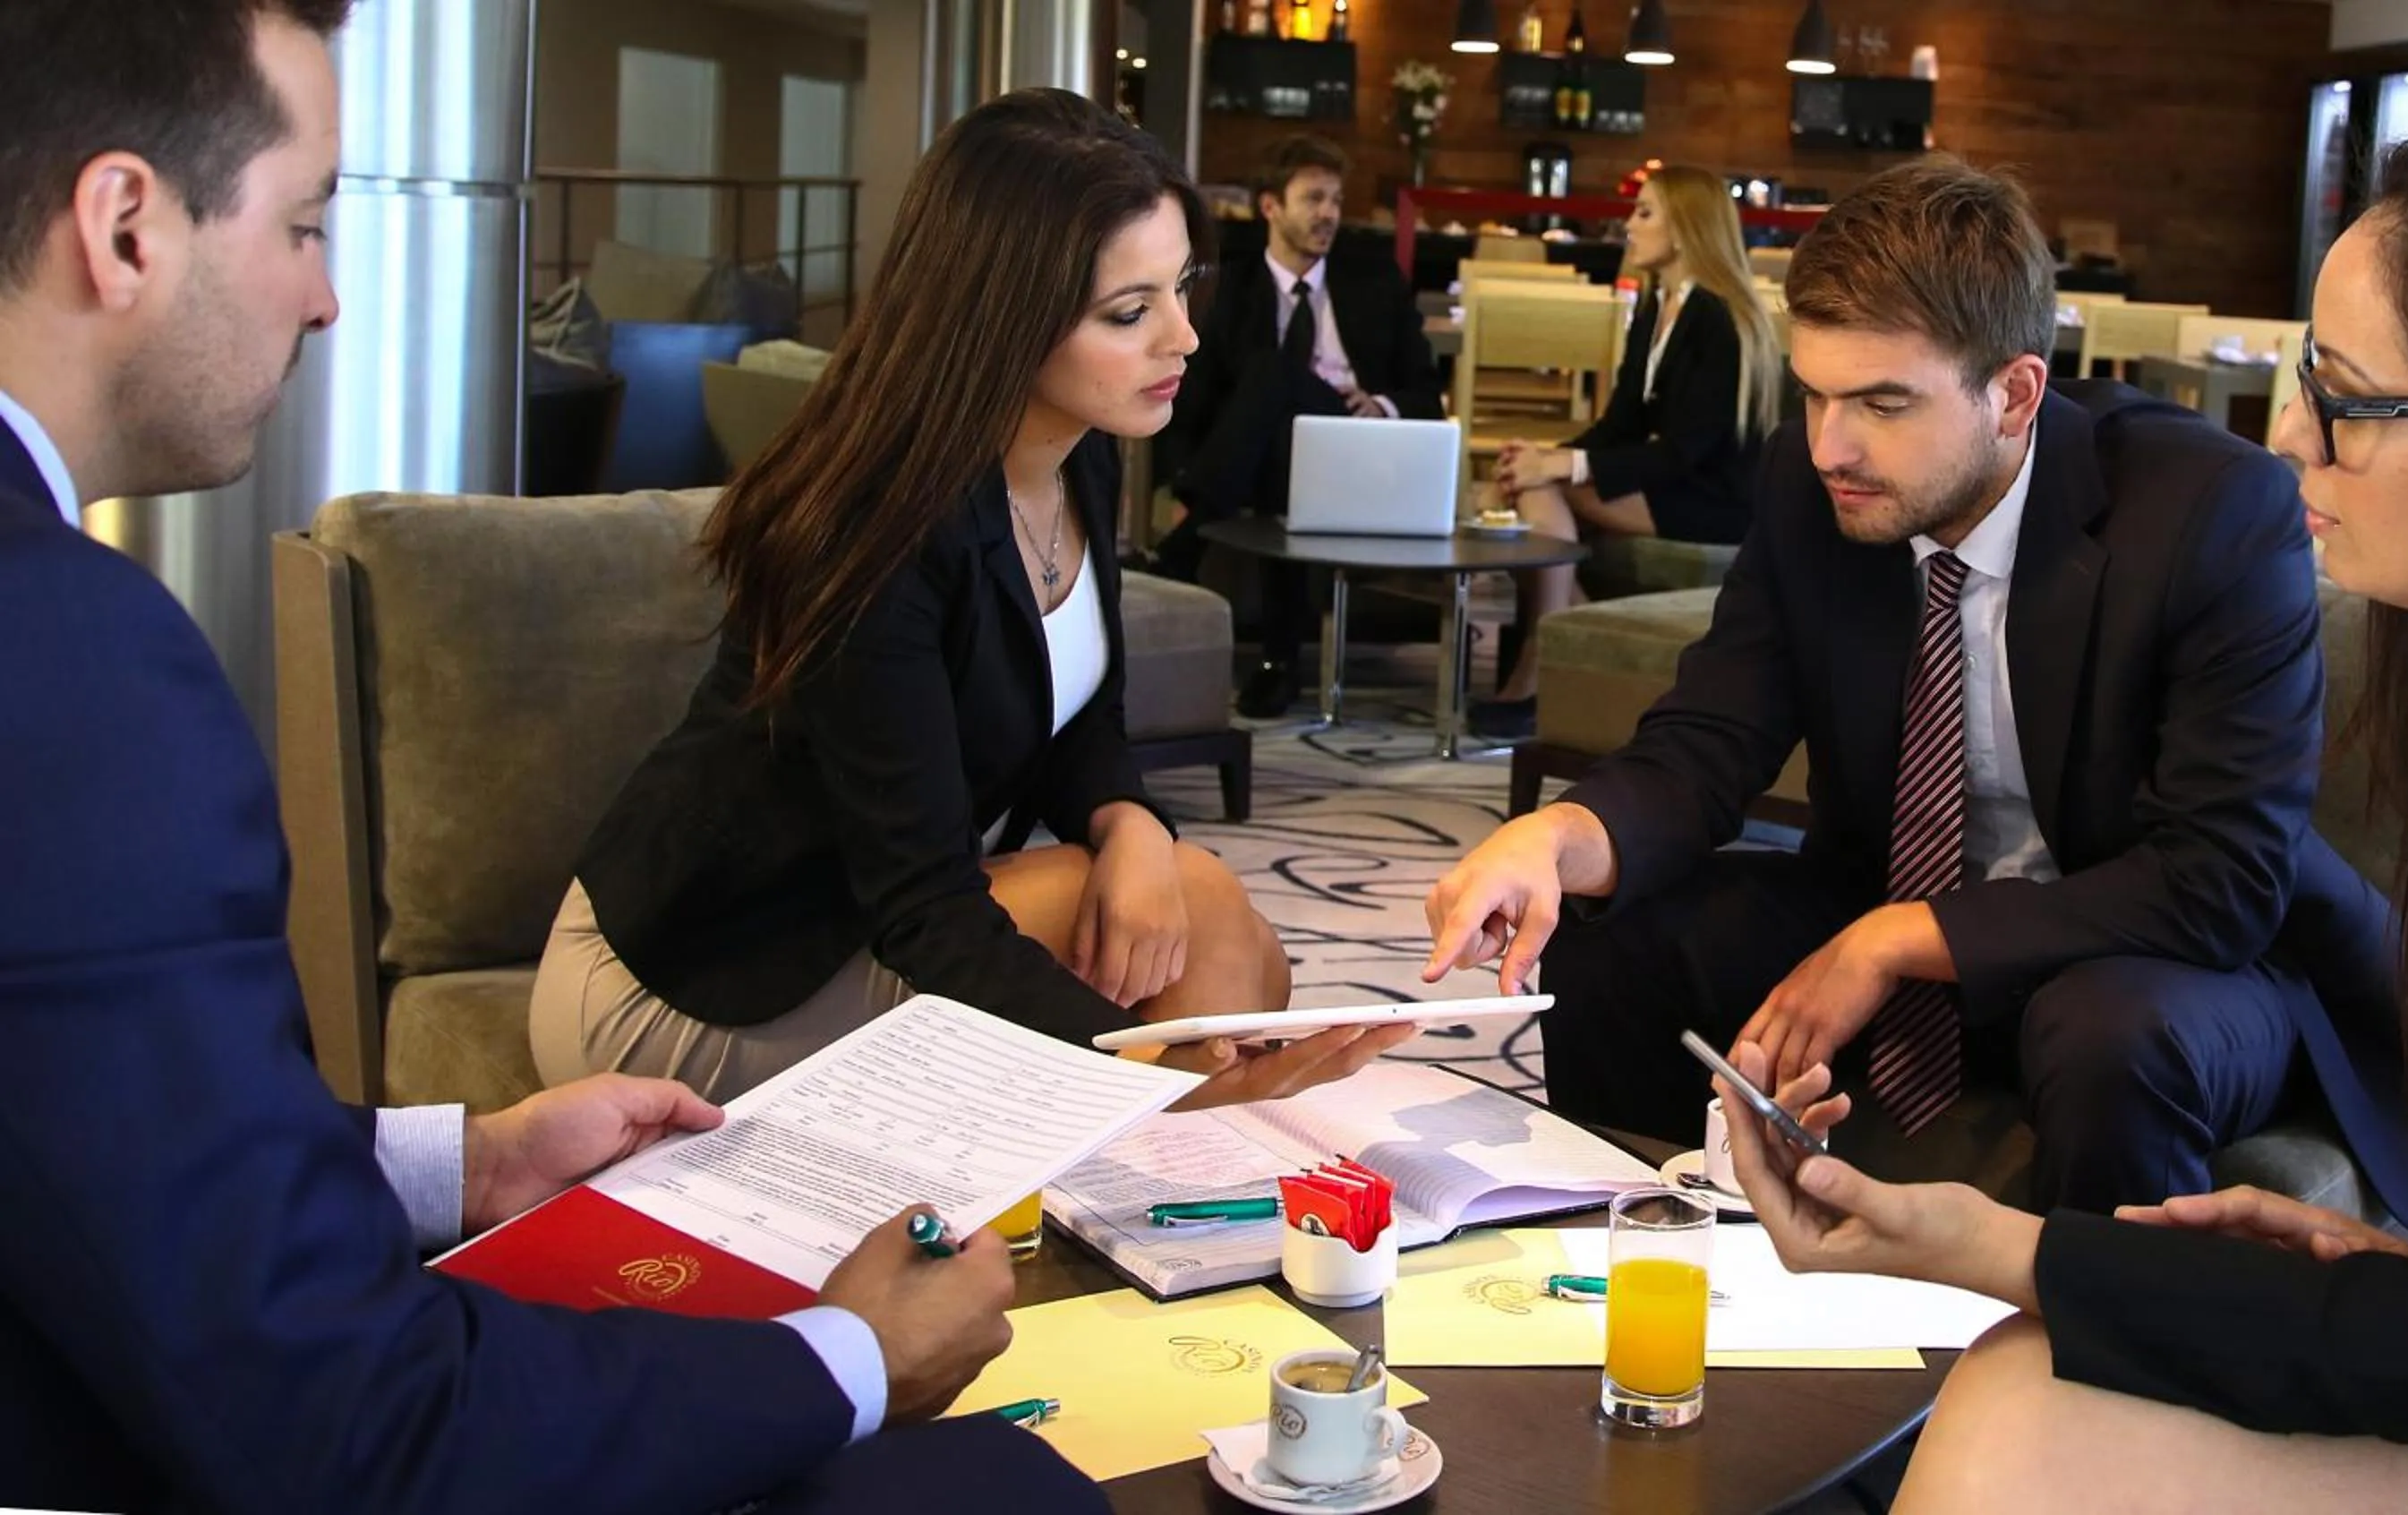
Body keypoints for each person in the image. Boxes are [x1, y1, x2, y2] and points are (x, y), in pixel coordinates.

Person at [0, 4, 1104, 1511]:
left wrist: (458, 1167)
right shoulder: (73, 657)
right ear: (126, 226)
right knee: (996, 1484)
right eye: (307, 223)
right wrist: (845, 1354)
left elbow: (85, 1125)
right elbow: (352, 1423)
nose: (326, 299)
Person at [1720, 124, 2408, 1514]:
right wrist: (2405, 1276)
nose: (2290, 431)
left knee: (2013, 1405)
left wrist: (1992, 1246)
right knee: (2019, 1385)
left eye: (2342, 397)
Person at [1424, 156, 2408, 1225]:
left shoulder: (2207, 511)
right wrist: (1561, 839)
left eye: (1882, 403)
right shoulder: (1812, 483)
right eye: (1813, 394)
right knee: (1613, 937)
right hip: (1893, 895)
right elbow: (1711, 735)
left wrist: (1896, 938)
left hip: (2165, 949)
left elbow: (2221, 878)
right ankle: (1638, 1268)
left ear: (2014, 393)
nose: (1831, 447)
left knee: (2107, 1034)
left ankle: (2104, 1363)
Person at [532, 92, 1407, 1108]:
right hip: (706, 980)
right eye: (1130, 313)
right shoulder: (876, 530)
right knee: (1211, 950)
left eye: (1181, 290)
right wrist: (1159, 1079)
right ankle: (1182, 1177)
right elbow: (926, 910)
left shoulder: (1070, 462)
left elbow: (1080, 717)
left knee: (1224, 944)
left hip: (867, 923)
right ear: (1002, 319)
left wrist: (1130, 825)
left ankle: (1181, 1203)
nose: (1185, 339)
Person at [1466, 164, 1784, 741]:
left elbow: (1686, 451)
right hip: (1669, 484)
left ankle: (1539, 673)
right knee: (1529, 482)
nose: (1628, 225)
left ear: (1685, 229)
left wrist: (1562, 467)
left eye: (1643, 212)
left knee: (1539, 489)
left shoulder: (1717, 318)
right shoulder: (1655, 310)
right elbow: (1619, 425)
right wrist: (1546, 454)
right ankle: (1562, 660)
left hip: (1715, 501)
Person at [1149, 133, 1443, 718]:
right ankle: (1278, 665)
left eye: (1335, 200)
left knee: (1274, 376)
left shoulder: (1373, 282)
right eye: (1313, 199)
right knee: (1275, 400)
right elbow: (1189, 398)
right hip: (1264, 465)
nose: (1329, 214)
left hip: (1356, 454)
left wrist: (1379, 403)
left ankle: (1185, 542)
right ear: (1270, 207)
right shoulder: (1227, 289)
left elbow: (1426, 396)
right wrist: (1173, 471)